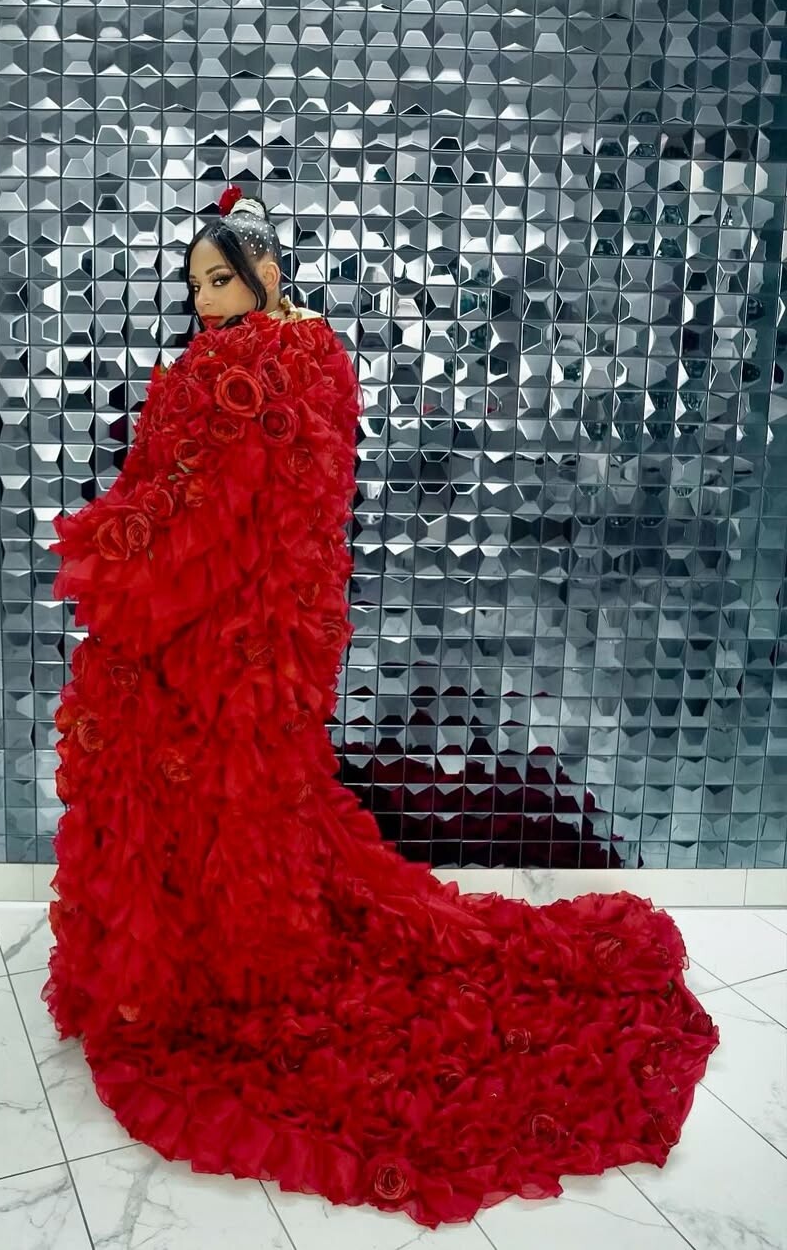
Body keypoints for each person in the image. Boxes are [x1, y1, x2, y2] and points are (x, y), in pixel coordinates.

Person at [42, 185, 719, 1229]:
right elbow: (293, 503)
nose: (206, 301)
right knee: (241, 806)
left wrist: (115, 551)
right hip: (273, 638)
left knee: (216, 804)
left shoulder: (232, 370)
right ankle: (219, 954)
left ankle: (215, 972)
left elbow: (191, 500)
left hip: (215, 635)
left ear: (265, 271)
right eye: (197, 286)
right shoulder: (319, 358)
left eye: (220, 279)